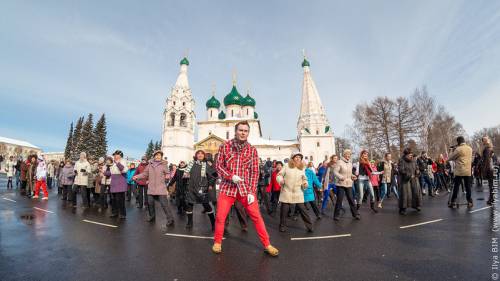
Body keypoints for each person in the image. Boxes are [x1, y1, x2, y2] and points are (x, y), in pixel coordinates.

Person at [212, 121, 279, 256]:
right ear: (235, 131)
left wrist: (251, 191)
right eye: (240, 130)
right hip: (228, 188)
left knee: (256, 217)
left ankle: (267, 244)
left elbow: (255, 172)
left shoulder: (252, 150)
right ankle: (217, 242)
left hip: (245, 190)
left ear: (248, 132)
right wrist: (231, 176)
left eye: (245, 131)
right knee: (220, 217)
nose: (243, 133)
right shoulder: (225, 146)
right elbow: (218, 166)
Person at [134, 150, 174, 227]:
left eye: (159, 155)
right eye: (156, 155)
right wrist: (137, 177)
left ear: (161, 156)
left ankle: (170, 219)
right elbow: (145, 174)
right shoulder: (149, 165)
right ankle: (152, 216)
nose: (158, 156)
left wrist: (167, 177)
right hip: (151, 188)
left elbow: (168, 173)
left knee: (164, 204)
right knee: (150, 203)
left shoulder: (164, 165)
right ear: (154, 156)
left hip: (160, 188)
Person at [180, 150, 217, 230]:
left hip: (202, 189)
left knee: (206, 206)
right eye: (198, 153)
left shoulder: (206, 165)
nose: (200, 155)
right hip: (191, 188)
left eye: (202, 154)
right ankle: (190, 223)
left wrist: (210, 184)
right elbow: (183, 174)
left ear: (204, 156)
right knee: (189, 205)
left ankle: (213, 223)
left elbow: (214, 175)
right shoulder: (191, 164)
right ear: (196, 155)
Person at [332, 150, 360, 221]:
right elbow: (335, 171)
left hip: (349, 183)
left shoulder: (350, 163)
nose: (348, 156)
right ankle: (336, 215)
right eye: (347, 155)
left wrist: (353, 176)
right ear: (344, 155)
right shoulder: (339, 162)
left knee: (351, 199)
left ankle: (355, 214)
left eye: (349, 155)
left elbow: (350, 173)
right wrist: (340, 177)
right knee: (339, 200)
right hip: (341, 184)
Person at [448, 136, 473, 208]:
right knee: (468, 187)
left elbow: (450, 158)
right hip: (468, 170)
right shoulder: (470, 148)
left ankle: (453, 201)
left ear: (458, 142)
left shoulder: (458, 149)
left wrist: (451, 150)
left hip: (459, 171)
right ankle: (469, 201)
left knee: (456, 186)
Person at [398, 148, 422, 215]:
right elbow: (401, 170)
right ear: (406, 155)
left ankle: (416, 205)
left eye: (412, 155)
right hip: (405, 180)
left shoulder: (414, 160)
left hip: (414, 179)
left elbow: (417, 167)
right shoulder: (401, 160)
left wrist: (418, 171)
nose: (411, 156)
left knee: (416, 192)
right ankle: (402, 209)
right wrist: (408, 175)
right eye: (410, 155)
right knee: (406, 195)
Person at [106, 150, 128, 219]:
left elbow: (123, 170)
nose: (114, 156)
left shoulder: (123, 161)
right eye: (114, 155)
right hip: (113, 183)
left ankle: (122, 213)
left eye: (116, 155)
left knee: (120, 200)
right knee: (113, 200)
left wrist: (118, 163)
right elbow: (111, 173)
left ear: (120, 155)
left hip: (120, 183)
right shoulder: (113, 163)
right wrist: (104, 172)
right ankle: (114, 212)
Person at [480, 136, 495, 205]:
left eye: (483, 140)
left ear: (485, 141)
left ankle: (491, 199)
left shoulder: (487, 149)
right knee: (491, 185)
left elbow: (486, 161)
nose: (482, 142)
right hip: (490, 168)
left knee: (490, 185)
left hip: (488, 169)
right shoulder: (490, 148)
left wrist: (484, 171)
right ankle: (491, 198)